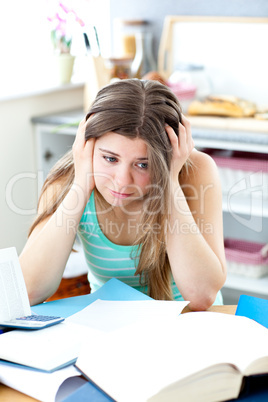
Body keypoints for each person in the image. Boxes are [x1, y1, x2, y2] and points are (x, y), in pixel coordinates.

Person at [19, 79, 226, 310]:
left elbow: (202, 296)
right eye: (110, 158)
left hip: (190, 325)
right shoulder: (66, 181)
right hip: (109, 328)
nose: (122, 181)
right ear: (86, 144)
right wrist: (81, 185)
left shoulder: (195, 172)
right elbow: (28, 291)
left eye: (143, 165)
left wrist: (170, 180)